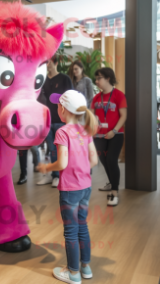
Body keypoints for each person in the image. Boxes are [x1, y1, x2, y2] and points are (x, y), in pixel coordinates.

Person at [37, 90, 98, 283]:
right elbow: (94, 160)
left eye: (57, 105)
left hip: (70, 189)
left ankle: (72, 273)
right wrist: (81, 168)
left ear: (62, 109)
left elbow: (62, 164)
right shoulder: (86, 130)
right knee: (82, 226)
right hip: (86, 187)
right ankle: (86, 268)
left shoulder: (62, 132)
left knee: (70, 231)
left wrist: (47, 167)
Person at [91, 67, 127, 207]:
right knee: (104, 161)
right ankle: (111, 182)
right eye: (96, 78)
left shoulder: (119, 95)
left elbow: (123, 115)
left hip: (116, 134)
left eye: (99, 78)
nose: (97, 81)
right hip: (99, 135)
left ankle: (114, 192)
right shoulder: (96, 98)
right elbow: (92, 116)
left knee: (111, 160)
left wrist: (114, 130)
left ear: (108, 78)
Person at [36, 54, 73, 187]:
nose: (47, 64)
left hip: (61, 120)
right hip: (46, 120)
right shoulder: (42, 79)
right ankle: (54, 176)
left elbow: (71, 98)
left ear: (56, 63)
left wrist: (69, 119)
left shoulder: (64, 79)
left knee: (62, 150)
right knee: (51, 149)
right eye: (45, 62)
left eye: (49, 61)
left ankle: (61, 176)